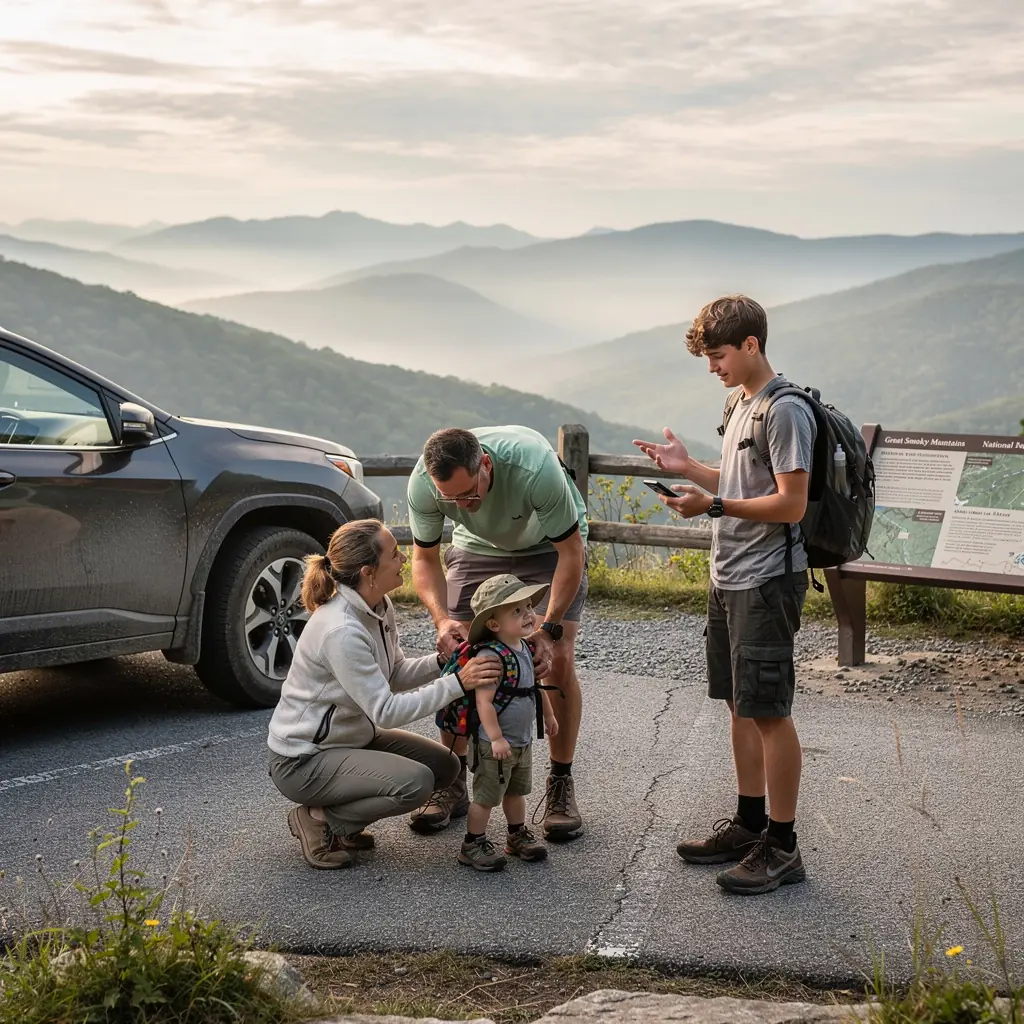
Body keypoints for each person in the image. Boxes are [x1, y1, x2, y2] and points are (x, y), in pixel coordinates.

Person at [634, 294, 815, 895]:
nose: (712, 367)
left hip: (766, 580)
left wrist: (712, 505)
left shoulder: (784, 411)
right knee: (739, 704)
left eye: (718, 356)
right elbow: (740, 482)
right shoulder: (740, 401)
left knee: (769, 712)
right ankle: (749, 824)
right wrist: (688, 468)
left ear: (751, 345)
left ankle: (783, 847)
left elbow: (790, 503)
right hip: (728, 575)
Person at [266, 518, 501, 870]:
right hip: (303, 760)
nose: (403, 559)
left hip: (350, 741)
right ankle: (320, 819)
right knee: (416, 784)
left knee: (445, 767)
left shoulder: (379, 606)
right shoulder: (341, 630)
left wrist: (443, 661)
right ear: (368, 572)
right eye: (394, 554)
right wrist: (457, 683)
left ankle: (343, 822)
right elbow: (386, 711)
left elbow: (394, 674)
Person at [405, 425, 589, 841]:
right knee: (461, 657)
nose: (462, 506)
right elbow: (424, 558)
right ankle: (451, 781)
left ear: (485, 465)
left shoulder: (534, 468)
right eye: (450, 499)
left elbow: (571, 551)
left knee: (555, 659)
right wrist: (441, 620)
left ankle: (560, 783)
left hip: (548, 546)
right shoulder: (424, 483)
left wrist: (548, 629)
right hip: (477, 549)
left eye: (469, 494)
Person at [456, 574, 559, 872]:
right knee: (486, 798)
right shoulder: (492, 657)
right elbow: (484, 702)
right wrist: (496, 737)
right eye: (516, 610)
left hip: (521, 741)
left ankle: (516, 835)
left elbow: (535, 687)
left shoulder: (524, 647)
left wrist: (548, 715)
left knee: (516, 792)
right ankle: (472, 843)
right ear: (493, 624)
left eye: (528, 607)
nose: (528, 614)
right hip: (495, 745)